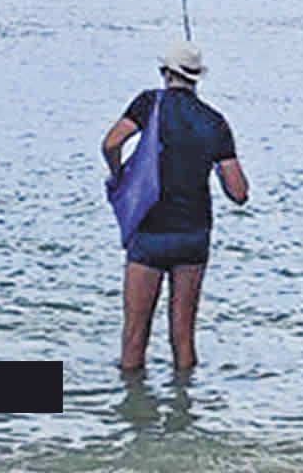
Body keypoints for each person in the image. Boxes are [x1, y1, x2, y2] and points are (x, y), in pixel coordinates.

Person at [102, 40, 248, 371]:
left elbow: (111, 142)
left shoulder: (147, 103)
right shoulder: (215, 122)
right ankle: (184, 412)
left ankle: (135, 415)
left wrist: (119, 173)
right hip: (193, 235)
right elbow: (238, 193)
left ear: (165, 73)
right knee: (183, 336)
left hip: (151, 231)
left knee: (135, 335)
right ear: (196, 77)